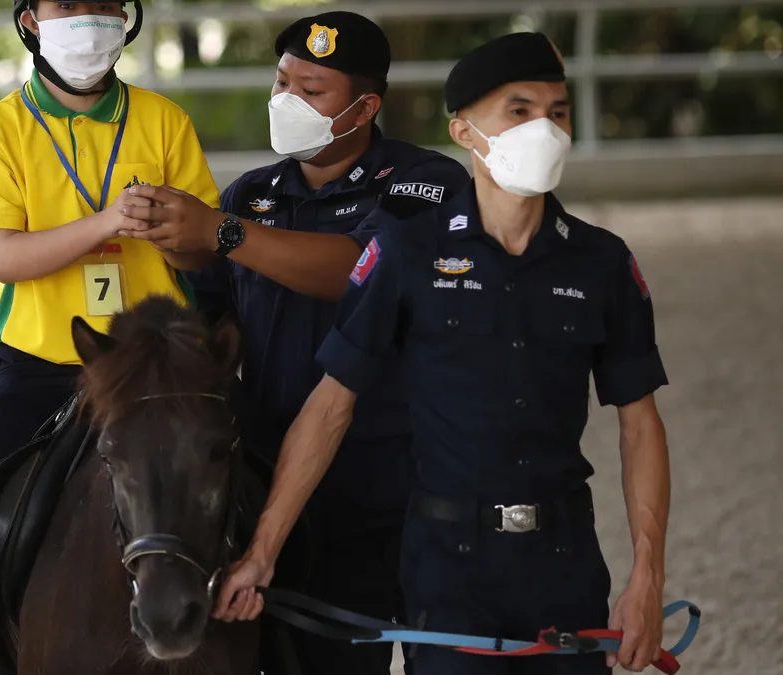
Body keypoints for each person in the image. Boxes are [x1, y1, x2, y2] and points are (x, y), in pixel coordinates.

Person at [213, 31, 672, 675]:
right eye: (519, 111)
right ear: (464, 132)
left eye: (558, 111)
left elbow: (640, 424)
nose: (544, 128)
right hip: (447, 563)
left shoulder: (604, 263)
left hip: (564, 561)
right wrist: (263, 551)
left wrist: (647, 575)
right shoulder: (406, 254)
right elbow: (330, 406)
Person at [115, 10, 470, 674]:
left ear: (365, 107)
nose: (289, 101)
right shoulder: (251, 196)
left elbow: (361, 271)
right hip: (289, 498)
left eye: (313, 91)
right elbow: (207, 335)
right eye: (284, 82)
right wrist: (174, 249)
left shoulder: (429, 184)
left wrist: (222, 234)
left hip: (413, 493)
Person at [0, 1, 221, 672]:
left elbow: (201, 255)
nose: (91, 17)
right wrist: (108, 220)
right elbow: (5, 259)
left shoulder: (164, 119)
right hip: (44, 366)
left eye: (107, 4)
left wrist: (178, 228)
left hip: (157, 365)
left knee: (265, 487)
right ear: (30, 22)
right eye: (69, 5)